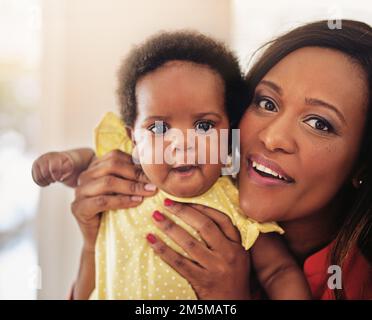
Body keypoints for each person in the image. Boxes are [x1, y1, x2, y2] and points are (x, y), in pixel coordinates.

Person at [32, 31, 312, 299]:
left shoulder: (236, 202)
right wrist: (69, 161)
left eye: (203, 125)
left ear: (230, 133)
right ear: (133, 138)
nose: (182, 143)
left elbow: (279, 272)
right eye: (159, 127)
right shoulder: (125, 174)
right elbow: (92, 159)